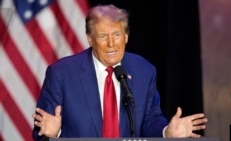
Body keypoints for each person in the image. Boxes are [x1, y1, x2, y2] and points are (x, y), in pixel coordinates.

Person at [32, 4, 208, 141]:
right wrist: (55, 134)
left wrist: (166, 132)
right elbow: (41, 132)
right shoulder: (61, 74)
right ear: (90, 39)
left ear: (126, 37)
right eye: (102, 36)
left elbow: (150, 119)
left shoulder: (144, 71)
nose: (111, 44)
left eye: (116, 35)